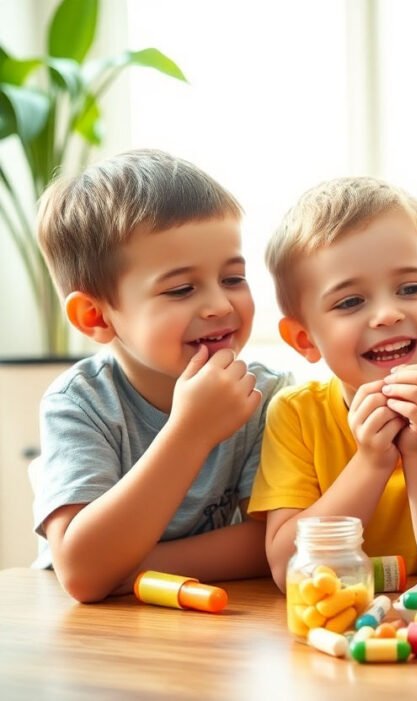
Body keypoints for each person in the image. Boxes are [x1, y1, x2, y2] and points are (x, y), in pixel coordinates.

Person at [32, 149, 289, 602]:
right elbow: (81, 573)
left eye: (232, 278)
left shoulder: (265, 395)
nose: (220, 306)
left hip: (203, 627)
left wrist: (125, 569)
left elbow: (268, 544)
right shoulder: (80, 404)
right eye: (181, 289)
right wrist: (190, 432)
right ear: (96, 316)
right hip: (93, 640)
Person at [250, 177, 417, 590]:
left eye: (411, 288)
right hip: (330, 624)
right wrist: (371, 460)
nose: (386, 314)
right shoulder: (294, 413)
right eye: (350, 302)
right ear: (304, 339)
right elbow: (287, 569)